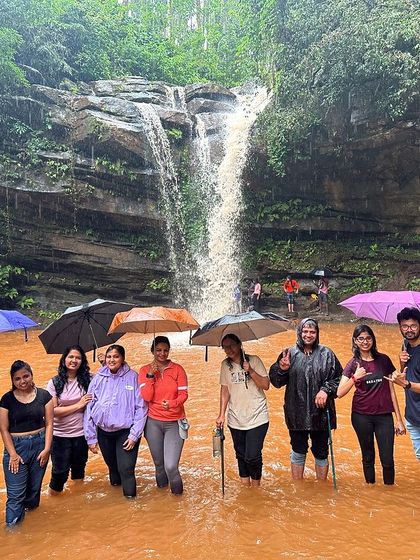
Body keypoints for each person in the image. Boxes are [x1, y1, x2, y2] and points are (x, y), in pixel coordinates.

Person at [269, 318, 342, 480]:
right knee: (298, 449)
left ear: (317, 334)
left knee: (321, 451)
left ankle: (322, 488)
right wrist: (281, 369)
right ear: (299, 332)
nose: (308, 335)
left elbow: (340, 379)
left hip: (321, 413)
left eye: (312, 332)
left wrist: (326, 389)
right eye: (305, 331)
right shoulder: (289, 354)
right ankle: (298, 487)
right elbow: (275, 382)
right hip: (297, 412)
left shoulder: (327, 354)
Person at [337, 325, 405, 485]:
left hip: (384, 416)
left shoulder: (384, 360)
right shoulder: (353, 363)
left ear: (373, 339)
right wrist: (355, 378)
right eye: (361, 339)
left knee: (387, 459)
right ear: (355, 341)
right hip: (361, 416)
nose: (365, 342)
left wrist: (399, 420)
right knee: (368, 457)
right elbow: (339, 393)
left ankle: (389, 493)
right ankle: (371, 490)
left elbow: (391, 391)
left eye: (368, 338)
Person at [84, 344, 147, 498]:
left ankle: (131, 505)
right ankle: (117, 506)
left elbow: (141, 407)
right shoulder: (98, 377)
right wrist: (91, 437)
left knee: (126, 469)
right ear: (105, 359)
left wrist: (134, 435)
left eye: (116, 356)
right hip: (103, 432)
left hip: (125, 432)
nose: (112, 360)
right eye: (109, 356)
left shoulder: (133, 377)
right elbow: (89, 406)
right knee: (112, 467)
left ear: (123, 359)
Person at [0, 360, 53, 527]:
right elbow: (3, 429)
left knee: (33, 491)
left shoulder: (44, 396)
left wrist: (46, 449)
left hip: (39, 445)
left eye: (25, 376)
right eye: (17, 379)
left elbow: (50, 423)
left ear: (31, 375)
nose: (22, 381)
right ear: (12, 380)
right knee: (16, 495)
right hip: (16, 448)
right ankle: (12, 531)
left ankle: (31, 530)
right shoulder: (7, 400)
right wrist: (13, 454)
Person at [216, 333, 269, 486]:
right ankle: (245, 487)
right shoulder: (225, 365)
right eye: (225, 347)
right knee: (241, 455)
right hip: (235, 418)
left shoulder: (254, 360)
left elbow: (266, 385)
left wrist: (251, 371)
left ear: (240, 345)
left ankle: (256, 486)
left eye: (232, 345)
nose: (229, 349)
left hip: (257, 416)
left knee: (252, 456)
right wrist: (221, 414)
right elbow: (225, 390)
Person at [139, 336, 188, 495]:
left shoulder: (178, 369)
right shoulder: (144, 370)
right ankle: (162, 505)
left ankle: (178, 503)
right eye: (158, 350)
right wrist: (151, 376)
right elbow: (146, 397)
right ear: (152, 351)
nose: (162, 353)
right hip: (153, 422)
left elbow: (184, 395)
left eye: (165, 350)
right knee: (159, 465)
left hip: (174, 421)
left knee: (171, 466)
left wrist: (172, 403)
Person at [46, 345, 92, 494]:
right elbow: (53, 412)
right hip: (60, 435)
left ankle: (77, 502)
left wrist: (104, 362)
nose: (74, 360)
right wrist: (79, 405)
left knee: (79, 470)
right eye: (71, 357)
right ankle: (54, 503)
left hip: (81, 434)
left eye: (78, 357)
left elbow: (108, 379)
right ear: (64, 359)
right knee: (59, 473)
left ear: (83, 361)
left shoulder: (88, 380)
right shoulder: (55, 383)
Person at [387, 307, 420, 461]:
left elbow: (406, 382)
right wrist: (401, 363)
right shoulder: (405, 345)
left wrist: (405, 384)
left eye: (413, 326)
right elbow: (405, 373)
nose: (409, 330)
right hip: (413, 416)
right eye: (404, 326)